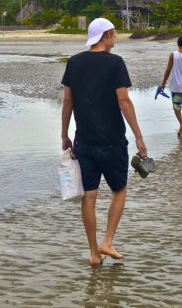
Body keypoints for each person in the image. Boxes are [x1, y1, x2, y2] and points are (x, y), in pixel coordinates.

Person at [61, 17, 148, 267]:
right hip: (112, 141)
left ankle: (94, 253)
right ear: (106, 35)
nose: (116, 38)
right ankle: (107, 241)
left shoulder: (74, 62)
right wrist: (139, 136)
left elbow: (68, 101)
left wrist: (64, 134)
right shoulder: (115, 63)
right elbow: (123, 101)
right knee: (119, 190)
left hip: (84, 141)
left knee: (89, 195)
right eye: (114, 34)